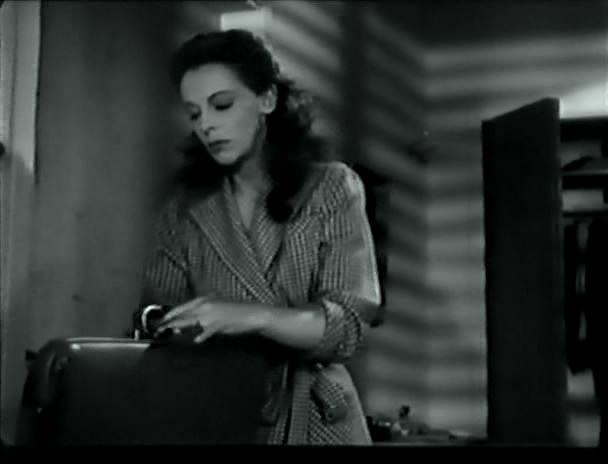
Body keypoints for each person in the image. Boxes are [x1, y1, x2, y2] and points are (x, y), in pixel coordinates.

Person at [139, 28, 381, 445]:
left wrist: (246, 316)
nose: (207, 125)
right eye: (194, 113)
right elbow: (160, 325)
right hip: (224, 416)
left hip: (319, 423)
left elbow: (346, 328)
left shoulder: (331, 188)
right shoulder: (184, 211)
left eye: (222, 105)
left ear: (267, 99)